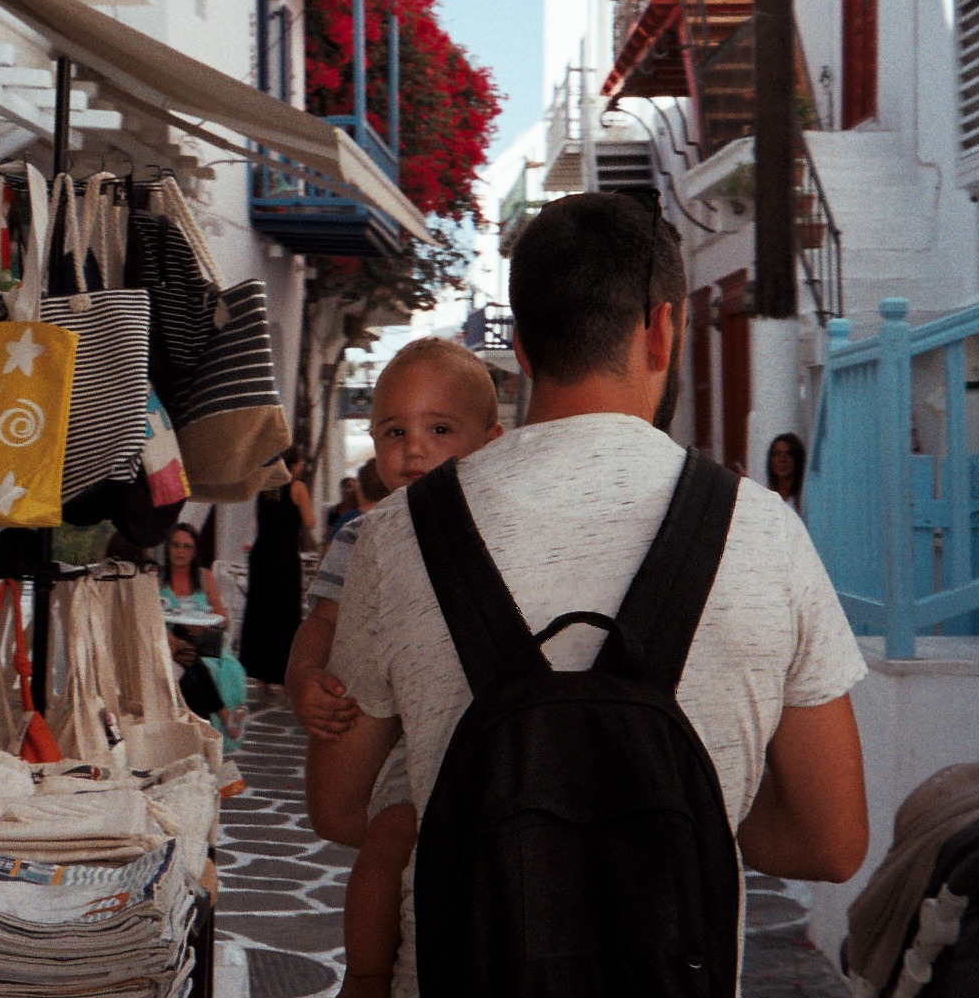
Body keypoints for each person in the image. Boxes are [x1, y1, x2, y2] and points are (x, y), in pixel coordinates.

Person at [310, 190, 870, 998]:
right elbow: (831, 844)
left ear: (522, 345)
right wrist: (689, 808)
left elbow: (338, 807)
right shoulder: (762, 530)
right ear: (661, 329)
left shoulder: (397, 536)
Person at [287, 338, 504, 998]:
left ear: (490, 441)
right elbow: (321, 625)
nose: (413, 450)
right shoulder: (363, 535)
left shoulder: (503, 530)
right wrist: (303, 680)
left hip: (477, 729)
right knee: (390, 834)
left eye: (439, 430)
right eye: (393, 432)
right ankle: (366, 974)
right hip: (400, 733)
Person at [159, 522, 248, 750]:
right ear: (168, 548)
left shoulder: (204, 577)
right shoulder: (157, 578)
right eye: (176, 545)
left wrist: (205, 625)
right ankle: (221, 721)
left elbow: (223, 617)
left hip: (201, 641)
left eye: (187, 547)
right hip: (171, 642)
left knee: (219, 667)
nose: (180, 552)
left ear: (195, 551)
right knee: (197, 665)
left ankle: (213, 730)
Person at [238, 449, 314, 691]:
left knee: (261, 612)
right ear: (294, 465)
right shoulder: (297, 487)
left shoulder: (265, 486)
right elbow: (310, 521)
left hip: (262, 556)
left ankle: (260, 672)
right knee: (285, 613)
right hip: (284, 557)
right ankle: (281, 672)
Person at [767, 431, 807, 511]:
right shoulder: (765, 497)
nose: (782, 459)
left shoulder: (805, 497)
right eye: (777, 454)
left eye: (788, 454)